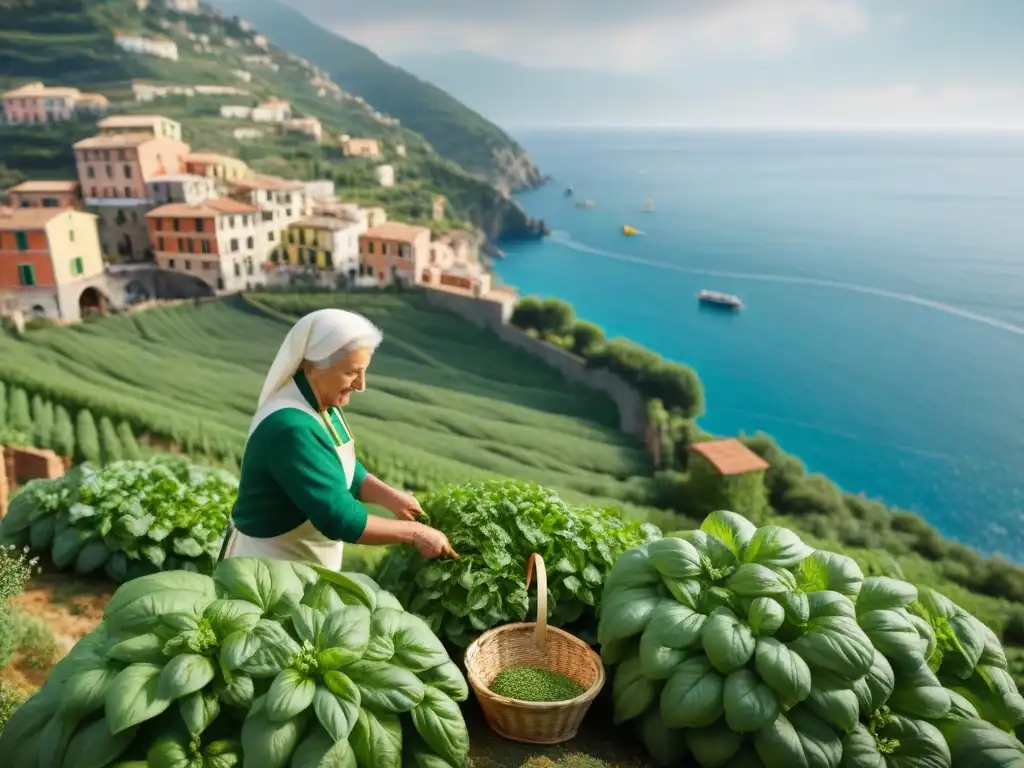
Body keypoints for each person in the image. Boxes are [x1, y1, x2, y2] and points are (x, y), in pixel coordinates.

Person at [221, 308, 458, 569]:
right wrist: (415, 534)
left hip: (297, 561)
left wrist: (390, 497)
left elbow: (338, 465)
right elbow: (340, 518)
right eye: (351, 373)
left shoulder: (322, 405)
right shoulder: (291, 428)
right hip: (268, 566)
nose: (361, 385)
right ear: (313, 366)